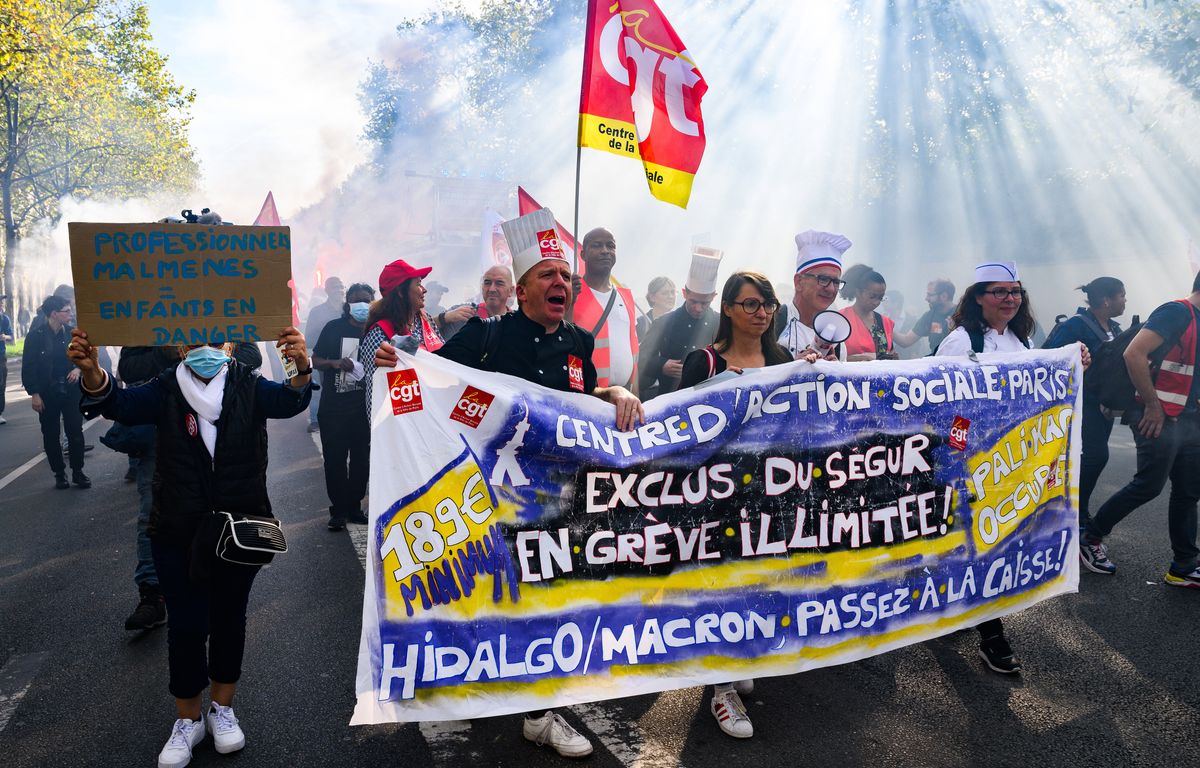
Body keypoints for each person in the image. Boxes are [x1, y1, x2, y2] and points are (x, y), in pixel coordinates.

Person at [373, 210, 644, 759]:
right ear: (522, 289)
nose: (561, 284)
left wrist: (614, 394)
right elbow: (429, 380)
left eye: (565, 276)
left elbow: (581, 404)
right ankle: (473, 681)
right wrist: (396, 361)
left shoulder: (578, 342)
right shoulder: (487, 334)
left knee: (550, 598)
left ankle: (540, 711)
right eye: (548, 275)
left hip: (555, 498)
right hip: (488, 494)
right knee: (492, 593)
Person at [68, 324, 313, 768]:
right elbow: (117, 403)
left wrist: (301, 364)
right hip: (177, 529)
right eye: (195, 342)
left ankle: (223, 709)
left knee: (228, 620)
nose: (206, 350)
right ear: (180, 347)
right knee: (185, 625)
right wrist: (92, 373)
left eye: (214, 341)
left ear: (229, 345)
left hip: (238, 530)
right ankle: (188, 719)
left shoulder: (247, 383)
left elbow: (292, 399)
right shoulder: (164, 388)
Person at [936, 261, 1091, 673]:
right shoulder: (960, 342)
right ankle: (992, 635)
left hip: (1013, 458)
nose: (1009, 299)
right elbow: (944, 405)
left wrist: (1073, 367)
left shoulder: (1020, 340)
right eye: (999, 291)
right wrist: (958, 455)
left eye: (1015, 291)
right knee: (983, 539)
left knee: (994, 537)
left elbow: (1036, 388)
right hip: (972, 461)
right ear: (978, 298)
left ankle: (960, 607)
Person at [677, 271, 791, 739]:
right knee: (720, 588)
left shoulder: (783, 359)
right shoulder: (702, 363)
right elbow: (679, 432)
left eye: (767, 305)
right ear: (727, 308)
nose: (761, 313)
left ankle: (737, 655)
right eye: (750, 304)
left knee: (757, 584)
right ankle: (721, 690)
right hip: (715, 498)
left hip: (770, 496)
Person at [1081, 274, 1200, 588]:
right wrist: (1152, 405)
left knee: (1188, 491)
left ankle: (1184, 565)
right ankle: (1090, 537)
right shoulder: (1176, 312)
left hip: (1189, 420)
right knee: (1149, 484)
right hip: (1158, 416)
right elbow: (1133, 353)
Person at [1044, 277, 1125, 529]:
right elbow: (1051, 360)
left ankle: (1075, 511)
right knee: (1095, 457)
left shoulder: (1115, 327)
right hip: (1081, 405)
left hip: (1103, 407)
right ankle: (1077, 514)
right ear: (1106, 300)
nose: (1125, 301)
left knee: (1093, 458)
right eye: (1122, 295)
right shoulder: (1075, 326)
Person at [312, 283, 376, 531]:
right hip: (334, 409)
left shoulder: (376, 331)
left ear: (374, 302)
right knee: (335, 460)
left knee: (362, 460)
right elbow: (315, 360)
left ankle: (354, 507)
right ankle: (338, 510)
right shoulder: (333, 328)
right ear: (347, 303)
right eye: (356, 300)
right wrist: (335, 362)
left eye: (367, 300)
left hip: (364, 410)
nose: (362, 305)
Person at [358, 259, 446, 416]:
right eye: (418, 284)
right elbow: (376, 394)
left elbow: (445, 359)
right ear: (400, 291)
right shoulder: (380, 334)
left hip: (435, 414)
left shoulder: (425, 319)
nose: (424, 290)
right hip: (404, 425)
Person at [21, 295, 89, 489]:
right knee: (50, 434)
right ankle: (59, 474)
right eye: (66, 311)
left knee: (75, 431)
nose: (70, 314)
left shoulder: (73, 334)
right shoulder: (35, 336)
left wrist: (77, 369)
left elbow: (85, 356)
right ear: (54, 314)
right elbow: (29, 367)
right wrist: (34, 393)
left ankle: (78, 471)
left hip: (71, 390)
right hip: (46, 392)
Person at [638, 251, 721, 399]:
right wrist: (662, 365)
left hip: (710, 398)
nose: (698, 308)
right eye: (693, 301)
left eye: (704, 303)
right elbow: (642, 357)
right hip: (670, 398)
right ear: (684, 293)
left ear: (714, 297)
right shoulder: (664, 322)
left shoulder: (720, 322)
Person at [572, 227, 639, 389]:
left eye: (610, 246)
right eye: (596, 245)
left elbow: (634, 350)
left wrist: (636, 394)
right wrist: (570, 299)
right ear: (583, 254)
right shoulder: (572, 293)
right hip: (586, 395)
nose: (605, 251)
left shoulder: (626, 296)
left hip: (623, 397)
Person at [776, 230, 852, 361]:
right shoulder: (773, 323)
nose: (830, 288)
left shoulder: (837, 340)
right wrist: (792, 367)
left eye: (836, 282)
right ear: (799, 282)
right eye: (823, 279)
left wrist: (834, 371)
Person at [838, 269, 915, 360]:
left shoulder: (884, 322)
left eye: (880, 298)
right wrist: (859, 359)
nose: (876, 302)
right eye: (872, 296)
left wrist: (892, 359)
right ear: (858, 292)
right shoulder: (840, 318)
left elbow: (887, 353)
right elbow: (830, 357)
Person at [303, 276, 345, 433]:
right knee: (318, 389)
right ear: (327, 290)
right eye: (334, 286)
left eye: (341, 286)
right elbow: (309, 338)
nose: (338, 289)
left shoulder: (348, 309)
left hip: (347, 356)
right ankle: (315, 421)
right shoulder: (317, 312)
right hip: (323, 358)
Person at [437, 265, 512, 339]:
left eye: (499, 283)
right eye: (487, 283)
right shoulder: (460, 313)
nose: (492, 289)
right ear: (482, 287)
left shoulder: (519, 323)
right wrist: (443, 318)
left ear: (511, 290)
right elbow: (426, 329)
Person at [911, 279, 957, 354]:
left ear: (944, 296)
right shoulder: (929, 316)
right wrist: (886, 323)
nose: (926, 298)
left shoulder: (962, 314)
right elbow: (906, 340)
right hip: (935, 361)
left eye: (930, 295)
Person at [0, 296, 12, 425]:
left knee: (1, 384)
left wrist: (5, 336)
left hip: (0, 355)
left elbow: (11, 336)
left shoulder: (4, 319)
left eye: (2, 303)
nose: (1, 305)